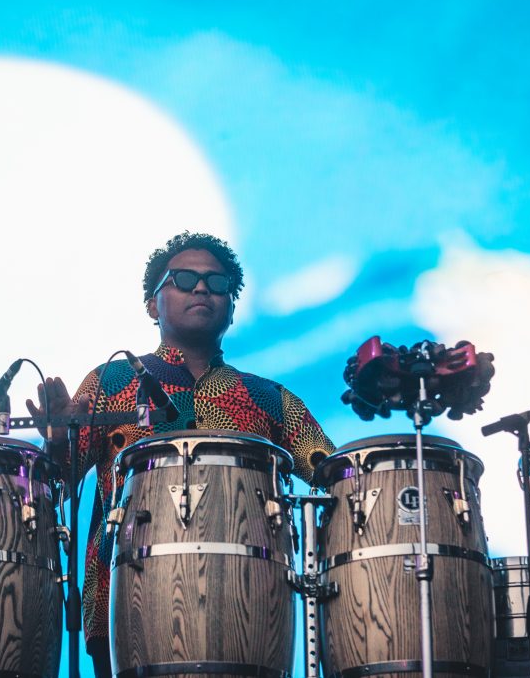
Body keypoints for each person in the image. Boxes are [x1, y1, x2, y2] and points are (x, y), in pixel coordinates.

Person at [27, 231, 335, 677]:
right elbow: (58, 484)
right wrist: (57, 440)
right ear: (153, 304)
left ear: (231, 304)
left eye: (218, 282)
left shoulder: (269, 398)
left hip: (250, 600)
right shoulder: (110, 382)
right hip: (123, 593)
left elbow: (332, 472)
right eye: (185, 278)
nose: (202, 288)